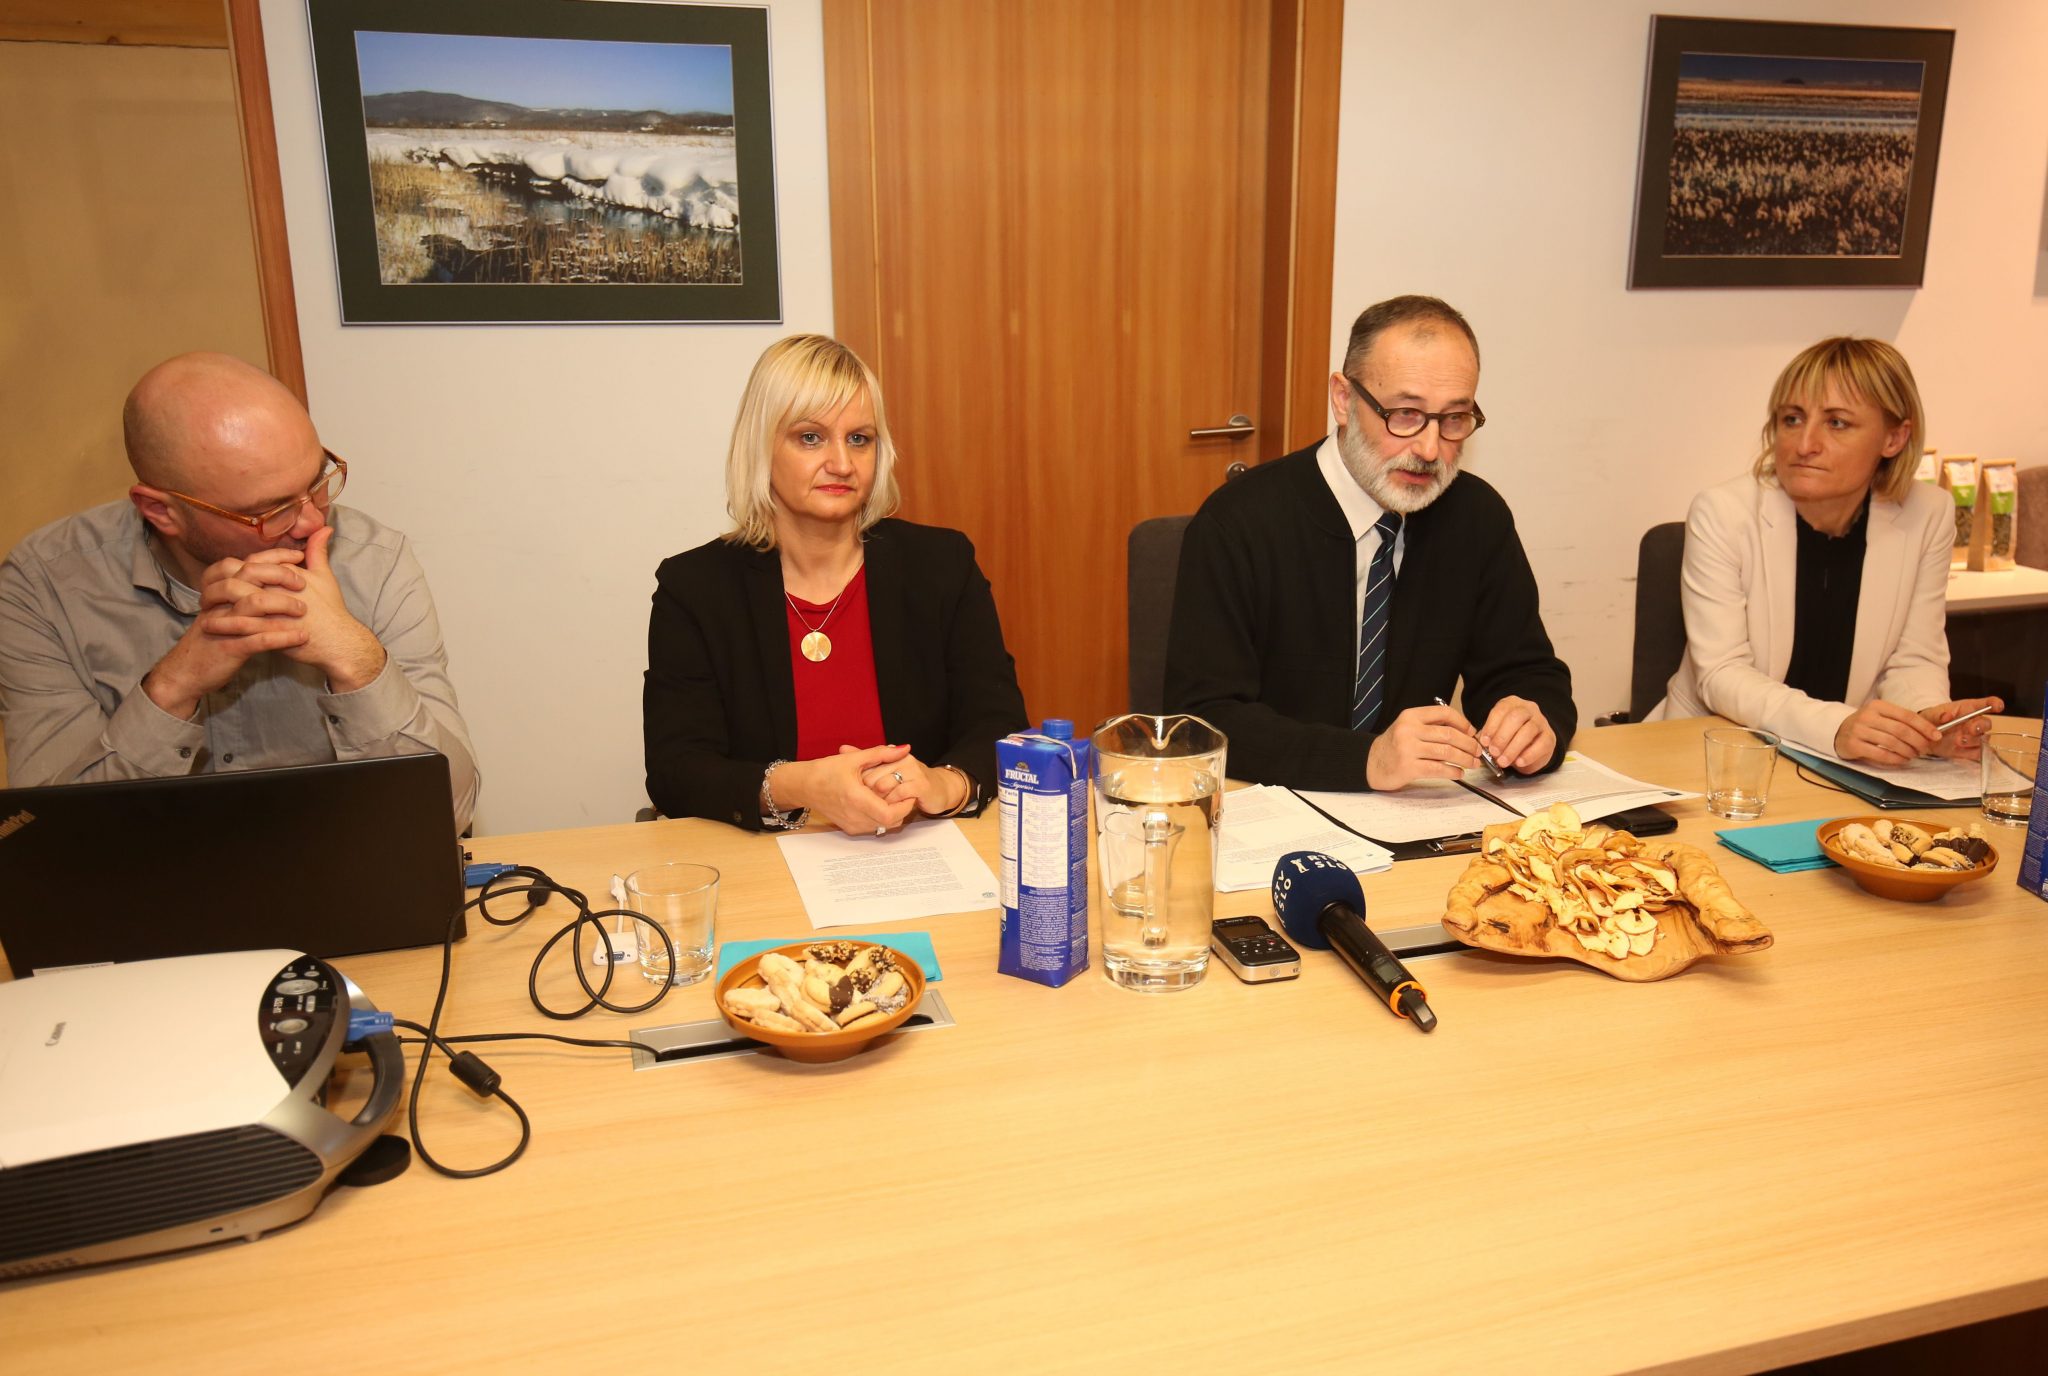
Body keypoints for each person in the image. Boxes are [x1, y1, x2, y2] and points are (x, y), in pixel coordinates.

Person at [0, 352, 479, 832]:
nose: (313, 522)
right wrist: (173, 688)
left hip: (344, 863)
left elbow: (450, 813)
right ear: (162, 511)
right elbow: (46, 837)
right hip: (149, 871)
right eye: (270, 511)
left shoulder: (373, 561)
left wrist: (357, 661)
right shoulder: (44, 587)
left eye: (317, 481)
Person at [1164, 295, 1575, 791]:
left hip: (1420, 811)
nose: (1429, 449)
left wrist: (1535, 723)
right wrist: (1367, 759)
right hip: (1266, 803)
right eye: (1405, 413)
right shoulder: (1239, 521)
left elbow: (1527, 671)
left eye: (1453, 419)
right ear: (1343, 399)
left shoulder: (1475, 516)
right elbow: (1202, 718)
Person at [644, 334, 1028, 834]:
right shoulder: (695, 588)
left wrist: (943, 785)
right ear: (761, 448)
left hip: (918, 849)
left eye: (859, 439)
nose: (842, 464)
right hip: (766, 859)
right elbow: (676, 771)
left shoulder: (942, 564)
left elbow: (999, 725)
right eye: (810, 437)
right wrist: (801, 785)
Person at [1651, 337, 2000, 762]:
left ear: (1894, 438)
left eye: (1836, 423)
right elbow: (1722, 674)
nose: (1804, 445)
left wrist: (1928, 721)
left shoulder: (1928, 513)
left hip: (1849, 764)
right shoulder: (1723, 512)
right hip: (1717, 752)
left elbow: (1914, 659)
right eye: (1792, 419)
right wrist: (1835, 727)